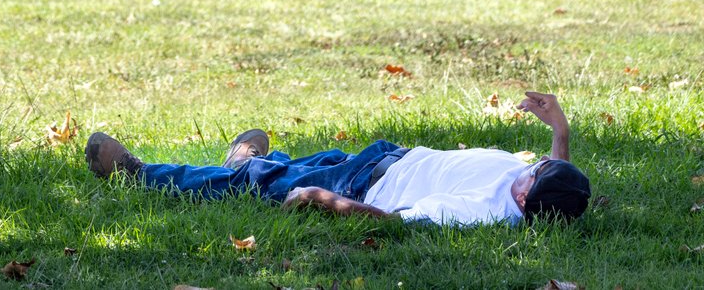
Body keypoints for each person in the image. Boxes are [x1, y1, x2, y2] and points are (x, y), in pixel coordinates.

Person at [85, 91, 591, 226]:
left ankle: (140, 174)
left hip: (364, 185)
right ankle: (247, 161)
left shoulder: (480, 210)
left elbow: (394, 222)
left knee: (259, 183)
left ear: (525, 199)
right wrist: (560, 132)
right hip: (385, 156)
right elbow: (554, 184)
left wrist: (327, 200)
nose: (532, 164)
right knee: (296, 163)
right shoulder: (539, 187)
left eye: (537, 171)